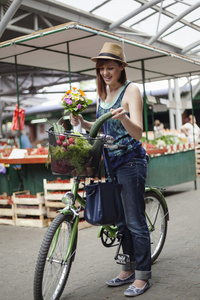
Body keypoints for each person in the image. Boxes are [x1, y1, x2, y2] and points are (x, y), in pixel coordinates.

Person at [70, 42, 151, 297]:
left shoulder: (131, 90)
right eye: (102, 68)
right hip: (110, 163)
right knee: (120, 220)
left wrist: (124, 117)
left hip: (131, 161)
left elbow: (138, 133)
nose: (105, 73)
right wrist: (82, 122)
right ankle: (126, 269)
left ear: (121, 68)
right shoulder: (102, 93)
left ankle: (143, 277)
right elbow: (102, 126)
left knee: (135, 221)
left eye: (110, 68)